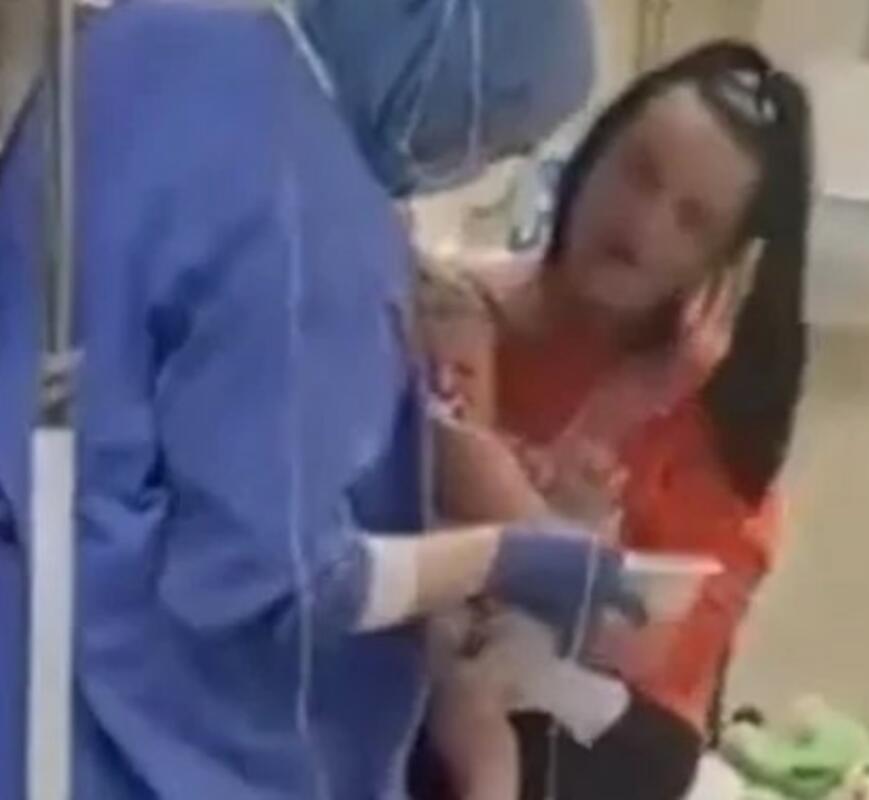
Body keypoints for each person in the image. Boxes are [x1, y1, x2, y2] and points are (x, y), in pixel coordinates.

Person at [0, 0, 644, 797]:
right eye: (499, 136)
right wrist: (497, 558)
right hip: (111, 729)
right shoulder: (312, 217)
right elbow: (274, 578)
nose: (480, 163)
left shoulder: (159, 40)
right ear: (454, 51)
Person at [418, 40, 815, 800]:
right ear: (593, 150)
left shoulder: (716, 427)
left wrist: (618, 413)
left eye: (692, 220)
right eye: (638, 172)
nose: (643, 221)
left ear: (728, 266)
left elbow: (638, 651)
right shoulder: (450, 311)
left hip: (602, 742)